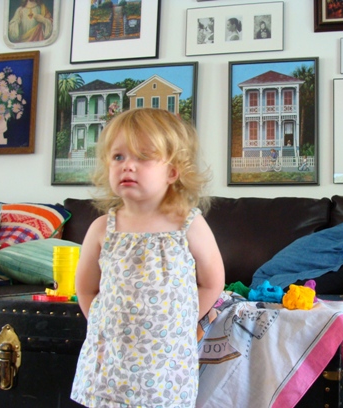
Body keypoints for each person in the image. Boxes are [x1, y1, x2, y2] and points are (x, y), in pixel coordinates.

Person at [70, 108, 225, 408]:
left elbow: (212, 282)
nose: (127, 166)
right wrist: (106, 326)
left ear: (172, 171)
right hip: (109, 366)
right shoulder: (102, 229)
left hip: (165, 366)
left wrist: (180, 323)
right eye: (118, 157)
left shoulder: (189, 225)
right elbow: (86, 289)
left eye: (143, 157)